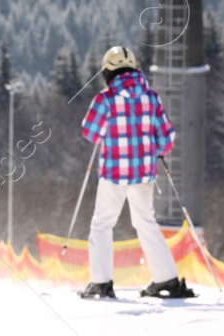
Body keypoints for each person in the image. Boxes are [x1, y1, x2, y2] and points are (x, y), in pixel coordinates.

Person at [78, 46, 195, 300]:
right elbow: (166, 137)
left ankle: (101, 283)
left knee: (102, 225)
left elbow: (89, 131)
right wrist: (156, 150)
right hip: (144, 174)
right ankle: (167, 280)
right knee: (145, 223)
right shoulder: (151, 97)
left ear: (108, 72)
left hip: (113, 174)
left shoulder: (106, 98)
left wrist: (106, 133)